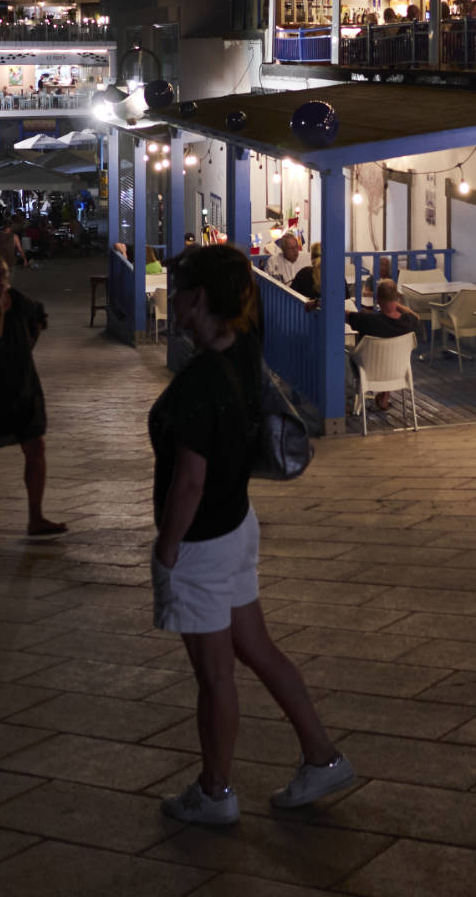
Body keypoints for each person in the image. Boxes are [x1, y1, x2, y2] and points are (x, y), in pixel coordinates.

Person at [148, 243, 353, 825]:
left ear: (199, 298)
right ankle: (321, 756)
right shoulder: (244, 350)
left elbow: (189, 481)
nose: (175, 294)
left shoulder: (199, 381)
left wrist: (167, 550)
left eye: (182, 286)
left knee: (214, 676)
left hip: (202, 540)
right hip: (237, 524)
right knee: (257, 649)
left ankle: (214, 794)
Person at [0, 251, 66, 536]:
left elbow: (39, 318)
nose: (0, 281)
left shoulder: (18, 300)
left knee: (35, 446)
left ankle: (36, 515)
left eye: (4, 275)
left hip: (21, 385)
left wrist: (27, 346)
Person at [346, 279, 422, 411]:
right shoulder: (408, 321)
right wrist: (396, 304)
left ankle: (345, 401)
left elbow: (343, 315)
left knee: (346, 352)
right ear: (397, 297)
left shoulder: (368, 320)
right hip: (397, 372)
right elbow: (416, 317)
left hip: (368, 372)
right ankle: (384, 397)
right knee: (389, 355)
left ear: (378, 299)